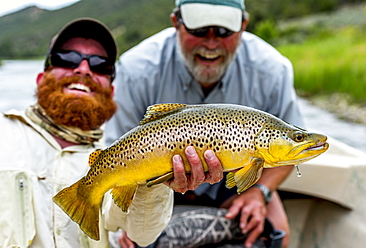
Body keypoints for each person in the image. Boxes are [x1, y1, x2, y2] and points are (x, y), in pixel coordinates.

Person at [0, 17, 222, 248]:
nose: (83, 69)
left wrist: (156, 178)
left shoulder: (124, 152)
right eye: (67, 58)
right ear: (40, 78)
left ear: (111, 90)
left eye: (100, 65)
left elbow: (141, 234)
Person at [105, 0, 305, 247]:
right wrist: (131, 214)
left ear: (243, 26)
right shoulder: (136, 68)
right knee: (127, 240)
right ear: (176, 23)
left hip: (238, 176)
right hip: (156, 180)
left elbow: (290, 148)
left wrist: (259, 192)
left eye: (224, 31)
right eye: (199, 30)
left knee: (279, 234)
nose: (211, 43)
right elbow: (118, 149)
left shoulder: (273, 69)